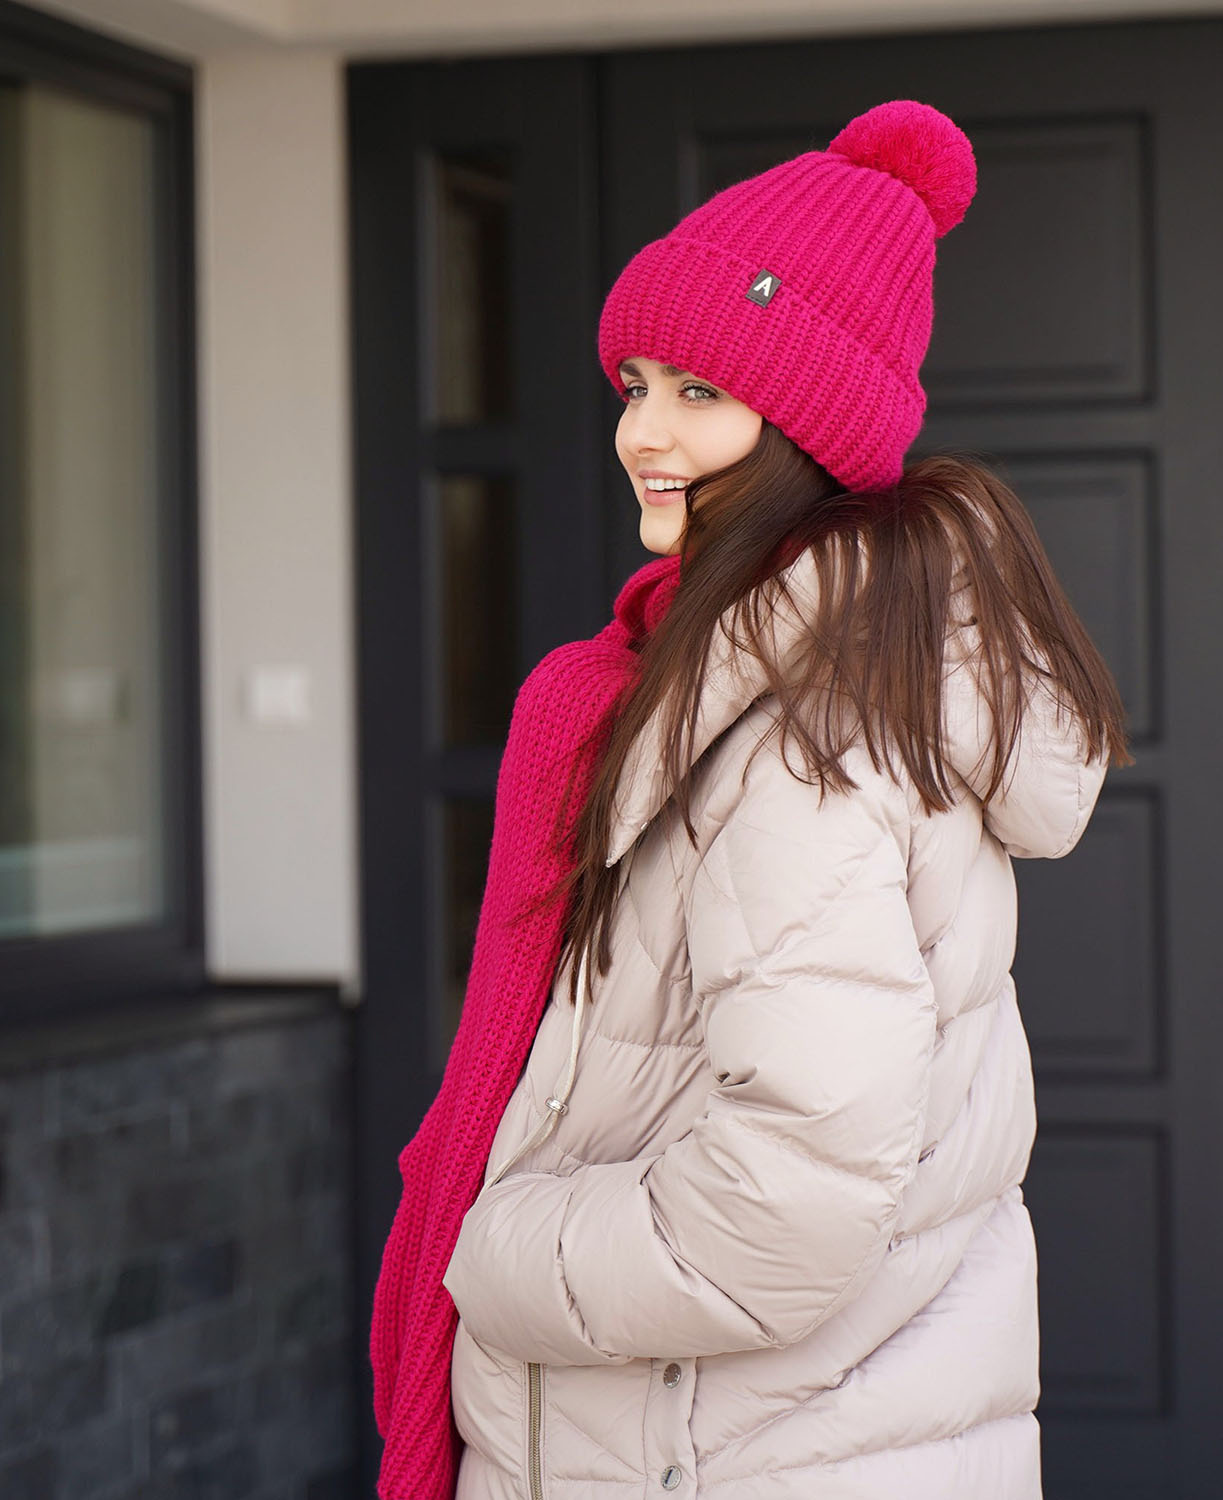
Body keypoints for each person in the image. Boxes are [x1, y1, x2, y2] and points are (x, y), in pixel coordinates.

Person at [371, 99, 1132, 1500]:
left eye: (701, 395)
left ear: (810, 426)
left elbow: (781, 1206)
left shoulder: (798, 731)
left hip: (723, 1456)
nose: (642, 434)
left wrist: (484, 1245)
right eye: (636, 384)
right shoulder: (820, 674)